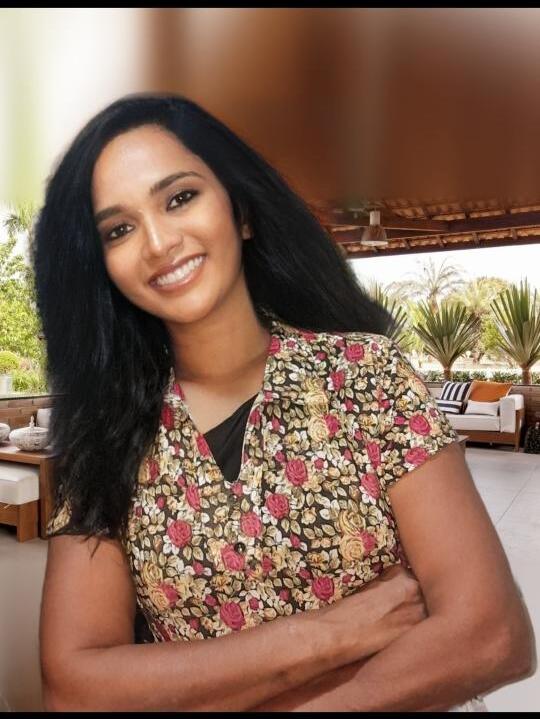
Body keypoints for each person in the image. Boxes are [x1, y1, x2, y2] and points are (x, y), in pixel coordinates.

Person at [34, 93, 534, 712]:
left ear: (241, 211)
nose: (159, 242)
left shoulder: (366, 375)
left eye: (180, 197)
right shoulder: (105, 441)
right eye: (119, 229)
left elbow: (493, 636)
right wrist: (331, 633)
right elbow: (76, 691)